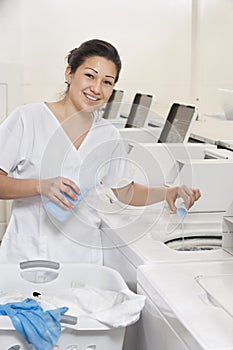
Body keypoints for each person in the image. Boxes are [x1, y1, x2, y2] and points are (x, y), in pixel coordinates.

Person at [0, 39, 201, 263]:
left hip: (82, 261)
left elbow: (124, 191)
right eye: (89, 76)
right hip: (28, 255)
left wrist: (166, 193)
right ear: (70, 73)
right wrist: (41, 185)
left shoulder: (108, 135)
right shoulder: (28, 119)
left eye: (107, 82)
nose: (96, 89)